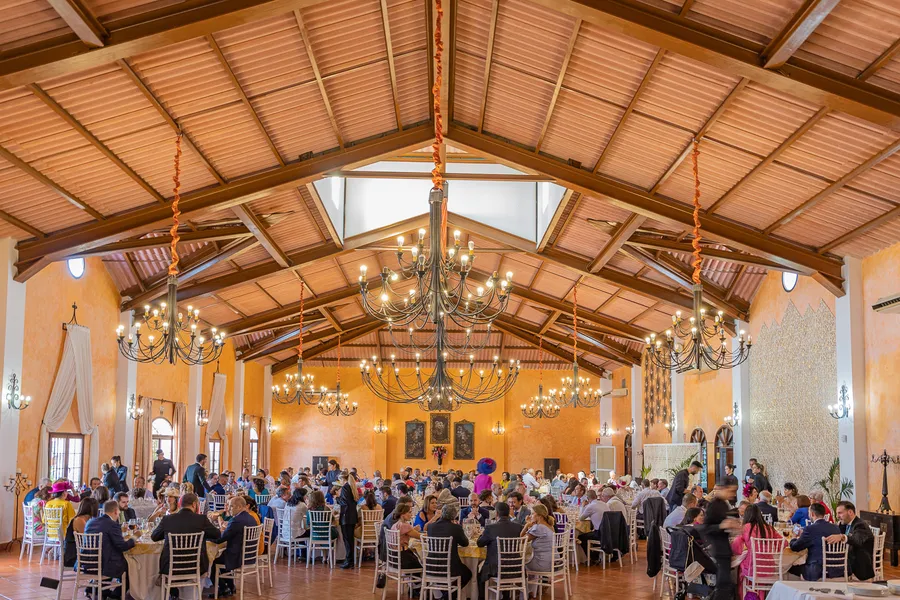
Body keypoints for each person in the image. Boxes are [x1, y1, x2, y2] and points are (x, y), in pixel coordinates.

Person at [151, 493, 221, 583]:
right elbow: (217, 535)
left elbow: (154, 537)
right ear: (194, 504)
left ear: (180, 504)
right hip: (196, 566)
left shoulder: (167, 519)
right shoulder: (201, 520)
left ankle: (171, 593)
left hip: (170, 567)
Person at [476, 501, 522, 600]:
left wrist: (481, 534)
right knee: (505, 559)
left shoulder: (490, 528)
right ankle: (506, 596)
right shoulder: (518, 527)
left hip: (496, 568)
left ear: (496, 513)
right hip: (516, 567)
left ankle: (482, 598)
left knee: (479, 574)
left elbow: (480, 543)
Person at [85, 500, 136, 589]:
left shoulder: (90, 522)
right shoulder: (112, 524)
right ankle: (117, 594)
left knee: (114, 558)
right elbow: (122, 546)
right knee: (131, 564)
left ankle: (99, 590)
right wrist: (134, 538)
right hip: (104, 565)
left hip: (86, 563)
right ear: (116, 511)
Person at [212, 496, 256, 596]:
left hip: (237, 557)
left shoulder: (236, 520)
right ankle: (230, 586)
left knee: (211, 561)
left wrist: (208, 538)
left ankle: (223, 588)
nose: (229, 509)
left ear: (240, 507)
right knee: (221, 557)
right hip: (250, 555)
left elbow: (221, 539)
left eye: (231, 506)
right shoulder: (251, 518)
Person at [426, 503, 471, 598]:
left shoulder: (431, 527)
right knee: (467, 574)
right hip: (450, 568)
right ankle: (447, 596)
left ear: (442, 513)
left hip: (431, 566)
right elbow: (465, 543)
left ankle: (444, 596)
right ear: (454, 516)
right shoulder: (455, 528)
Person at [789, 502, 843, 581]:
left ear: (812, 514)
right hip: (838, 568)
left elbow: (795, 547)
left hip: (817, 570)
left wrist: (793, 537)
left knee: (790, 567)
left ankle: (802, 591)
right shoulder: (835, 527)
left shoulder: (809, 529)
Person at [730, 504, 782, 582]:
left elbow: (736, 546)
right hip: (769, 569)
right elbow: (782, 543)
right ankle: (760, 593)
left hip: (752, 569)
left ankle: (745, 593)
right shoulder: (769, 528)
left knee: (739, 565)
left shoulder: (746, 527)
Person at [827, 500, 874, 581]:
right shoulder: (845, 524)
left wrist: (842, 537)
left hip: (859, 563)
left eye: (840, 513)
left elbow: (857, 540)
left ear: (850, 512)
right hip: (848, 559)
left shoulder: (860, 525)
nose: (837, 516)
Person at [523, 503, 555, 596]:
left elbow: (521, 540)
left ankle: (525, 593)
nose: (530, 516)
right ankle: (532, 591)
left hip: (543, 564)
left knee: (521, 564)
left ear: (539, 516)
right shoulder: (550, 526)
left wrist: (526, 525)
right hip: (553, 562)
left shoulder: (539, 527)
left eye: (532, 513)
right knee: (529, 559)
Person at [62, 497, 99, 567]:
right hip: (74, 557)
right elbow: (87, 540)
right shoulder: (79, 520)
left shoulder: (84, 519)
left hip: (78, 553)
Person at [338, 472, 360, 569]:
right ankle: (350, 560)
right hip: (352, 515)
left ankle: (348, 560)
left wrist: (337, 498)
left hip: (346, 517)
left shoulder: (345, 487)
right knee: (350, 539)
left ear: (343, 479)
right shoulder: (352, 487)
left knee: (347, 539)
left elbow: (344, 502)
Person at [577, 489, 608, 554]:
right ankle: (596, 555)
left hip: (599, 533)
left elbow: (580, 518)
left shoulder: (591, 506)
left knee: (581, 537)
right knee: (591, 533)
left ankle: (592, 557)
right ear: (596, 496)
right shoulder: (604, 504)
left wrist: (582, 506)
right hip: (608, 532)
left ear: (588, 498)